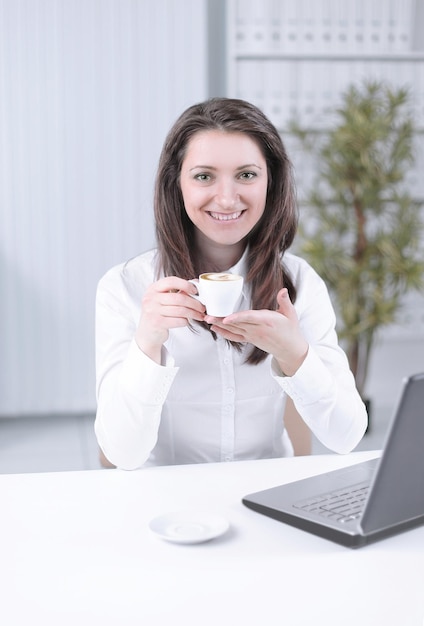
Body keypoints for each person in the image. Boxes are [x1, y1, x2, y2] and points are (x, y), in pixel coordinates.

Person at [95, 97, 368, 470]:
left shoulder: (299, 283)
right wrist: (147, 343)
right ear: (177, 185)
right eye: (204, 176)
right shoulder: (125, 286)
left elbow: (346, 437)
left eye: (246, 175)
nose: (226, 198)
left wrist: (295, 355)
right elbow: (122, 454)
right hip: (166, 500)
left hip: (267, 495)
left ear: (271, 181)